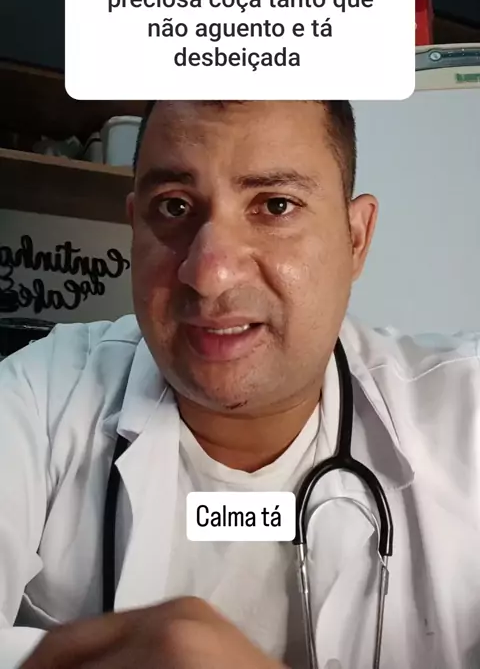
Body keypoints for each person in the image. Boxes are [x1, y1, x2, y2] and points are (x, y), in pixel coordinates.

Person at [1, 100, 479, 669]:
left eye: (275, 205)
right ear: (134, 227)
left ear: (356, 237)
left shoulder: (466, 416)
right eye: (174, 206)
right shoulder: (37, 395)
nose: (210, 274)